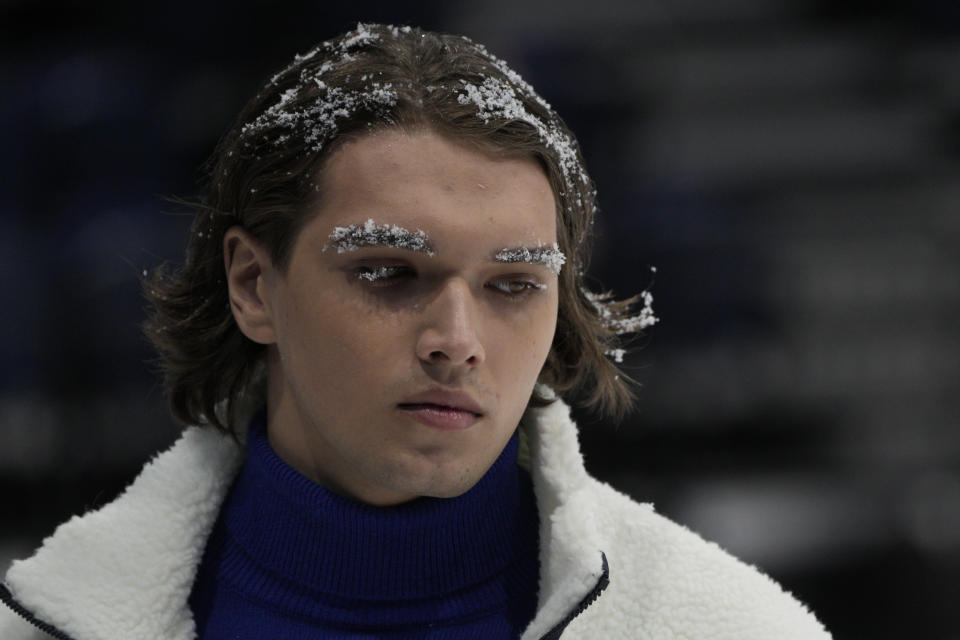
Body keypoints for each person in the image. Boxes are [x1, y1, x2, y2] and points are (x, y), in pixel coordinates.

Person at [0, 23, 830, 639]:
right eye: (390, 273)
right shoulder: (45, 624)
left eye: (513, 284)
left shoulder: (733, 628)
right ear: (254, 285)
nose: (457, 340)